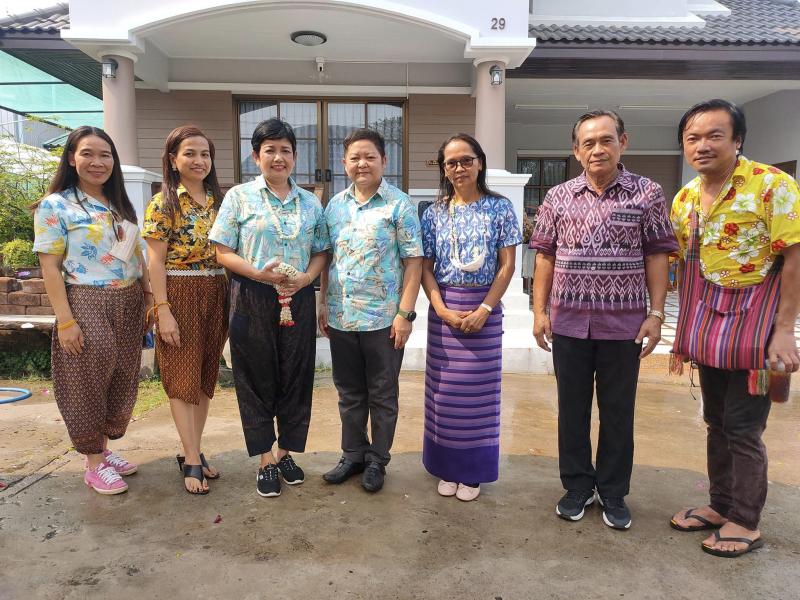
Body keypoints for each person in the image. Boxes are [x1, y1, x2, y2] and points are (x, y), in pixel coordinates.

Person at [530, 110, 678, 528]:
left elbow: (657, 255)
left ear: (622, 142)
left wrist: (655, 314)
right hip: (569, 324)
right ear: (576, 151)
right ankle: (577, 486)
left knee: (617, 413)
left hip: (623, 326)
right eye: (588, 143)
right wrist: (539, 312)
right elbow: (545, 256)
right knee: (572, 410)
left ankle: (613, 492)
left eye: (606, 140)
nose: (598, 149)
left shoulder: (647, 193)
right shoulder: (558, 197)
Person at [669, 99, 800, 557]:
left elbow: (794, 257)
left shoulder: (772, 185)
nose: (702, 145)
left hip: (756, 329)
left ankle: (745, 520)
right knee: (716, 421)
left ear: (737, 140)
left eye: (714, 135)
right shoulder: (685, 198)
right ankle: (721, 504)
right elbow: (683, 263)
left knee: (743, 429)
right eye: (692, 138)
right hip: (710, 329)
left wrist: (785, 330)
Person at [209, 118, 329, 498]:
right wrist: (259, 274)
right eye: (270, 150)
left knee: (296, 376)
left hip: (298, 296)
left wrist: (307, 279)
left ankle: (286, 452)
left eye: (285, 150)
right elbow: (223, 251)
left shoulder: (310, 202)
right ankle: (265, 459)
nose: (278, 157)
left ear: (295, 156)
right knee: (255, 377)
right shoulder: (239, 197)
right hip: (252, 296)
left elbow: (321, 251)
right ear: (255, 156)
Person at [32, 126, 154, 495]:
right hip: (86, 299)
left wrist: (149, 295)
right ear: (72, 158)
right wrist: (66, 321)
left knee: (120, 377)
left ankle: (102, 450)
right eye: (87, 153)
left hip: (129, 300)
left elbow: (136, 253)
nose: (97, 162)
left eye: (105, 155)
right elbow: (50, 267)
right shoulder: (56, 205)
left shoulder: (118, 203)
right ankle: (93, 464)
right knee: (86, 379)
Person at [318, 128, 423, 493]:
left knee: (382, 393)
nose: (362, 164)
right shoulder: (335, 206)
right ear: (344, 163)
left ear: (384, 161)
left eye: (369, 157)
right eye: (354, 158)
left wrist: (405, 314)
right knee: (348, 393)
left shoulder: (399, 204)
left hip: (384, 319)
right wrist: (322, 302)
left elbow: (414, 262)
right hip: (342, 317)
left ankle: (378, 459)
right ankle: (353, 455)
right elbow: (328, 258)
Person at [420, 133, 521, 502]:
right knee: (445, 394)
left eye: (466, 160)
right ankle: (446, 467)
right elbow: (425, 267)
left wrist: (485, 310)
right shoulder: (433, 213)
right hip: (444, 312)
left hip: (485, 312)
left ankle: (474, 472)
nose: (459, 167)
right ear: (444, 169)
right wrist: (441, 309)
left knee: (478, 398)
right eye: (452, 162)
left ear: (480, 163)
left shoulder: (500, 208)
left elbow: (507, 266)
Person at [142, 125, 227, 495]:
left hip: (216, 289)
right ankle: (191, 457)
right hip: (179, 291)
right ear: (173, 160)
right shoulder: (163, 203)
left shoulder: (220, 201)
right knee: (181, 376)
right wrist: (162, 310)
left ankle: (193, 448)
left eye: (205, 154)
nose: (199, 160)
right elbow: (155, 262)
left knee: (205, 375)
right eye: (190, 153)